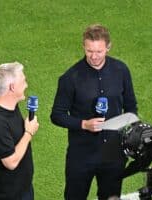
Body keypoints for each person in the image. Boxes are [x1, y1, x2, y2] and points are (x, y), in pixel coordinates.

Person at [50, 24, 138, 200]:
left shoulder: (121, 70)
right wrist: (83, 124)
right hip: (81, 155)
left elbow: (131, 108)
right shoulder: (70, 78)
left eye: (99, 51)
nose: (94, 56)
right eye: (89, 51)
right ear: (84, 46)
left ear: (108, 47)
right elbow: (57, 115)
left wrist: (125, 130)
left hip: (114, 153)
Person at [0, 62, 39, 200]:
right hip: (5, 195)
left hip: (22, 189)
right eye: (23, 81)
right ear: (12, 87)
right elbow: (11, 162)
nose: (26, 85)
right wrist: (28, 133)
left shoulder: (11, 105)